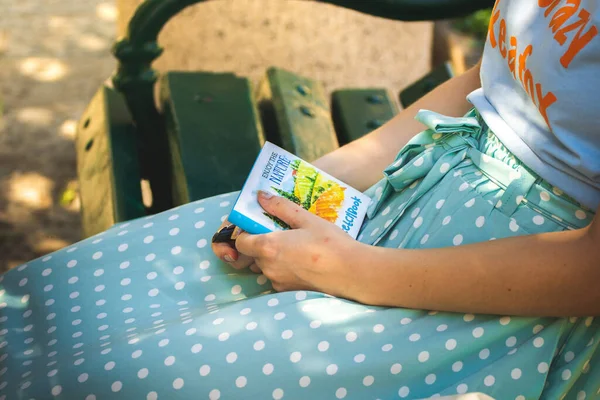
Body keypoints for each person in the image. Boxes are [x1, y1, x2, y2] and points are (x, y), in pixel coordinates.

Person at [0, 0, 598, 399]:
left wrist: (355, 272)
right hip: (407, 197)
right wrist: (324, 176)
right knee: (71, 298)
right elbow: (486, 81)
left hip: (510, 294)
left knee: (130, 379)